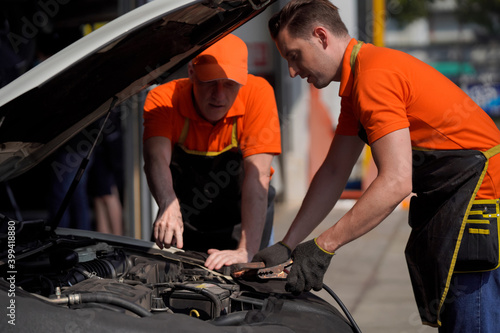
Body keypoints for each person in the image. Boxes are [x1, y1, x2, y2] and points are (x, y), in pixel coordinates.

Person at [252, 0, 500, 332]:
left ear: (321, 36)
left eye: (294, 56)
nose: (293, 72)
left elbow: (396, 181)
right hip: (459, 201)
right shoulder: (356, 84)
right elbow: (334, 172)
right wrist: (287, 244)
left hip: (481, 204)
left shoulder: (373, 76)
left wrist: (324, 246)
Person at [142, 34, 281, 271]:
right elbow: (156, 159)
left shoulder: (258, 93)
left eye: (229, 84)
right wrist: (167, 203)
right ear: (191, 72)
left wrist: (246, 251)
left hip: (246, 222)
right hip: (189, 224)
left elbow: (257, 179)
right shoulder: (164, 99)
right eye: (209, 82)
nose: (219, 95)